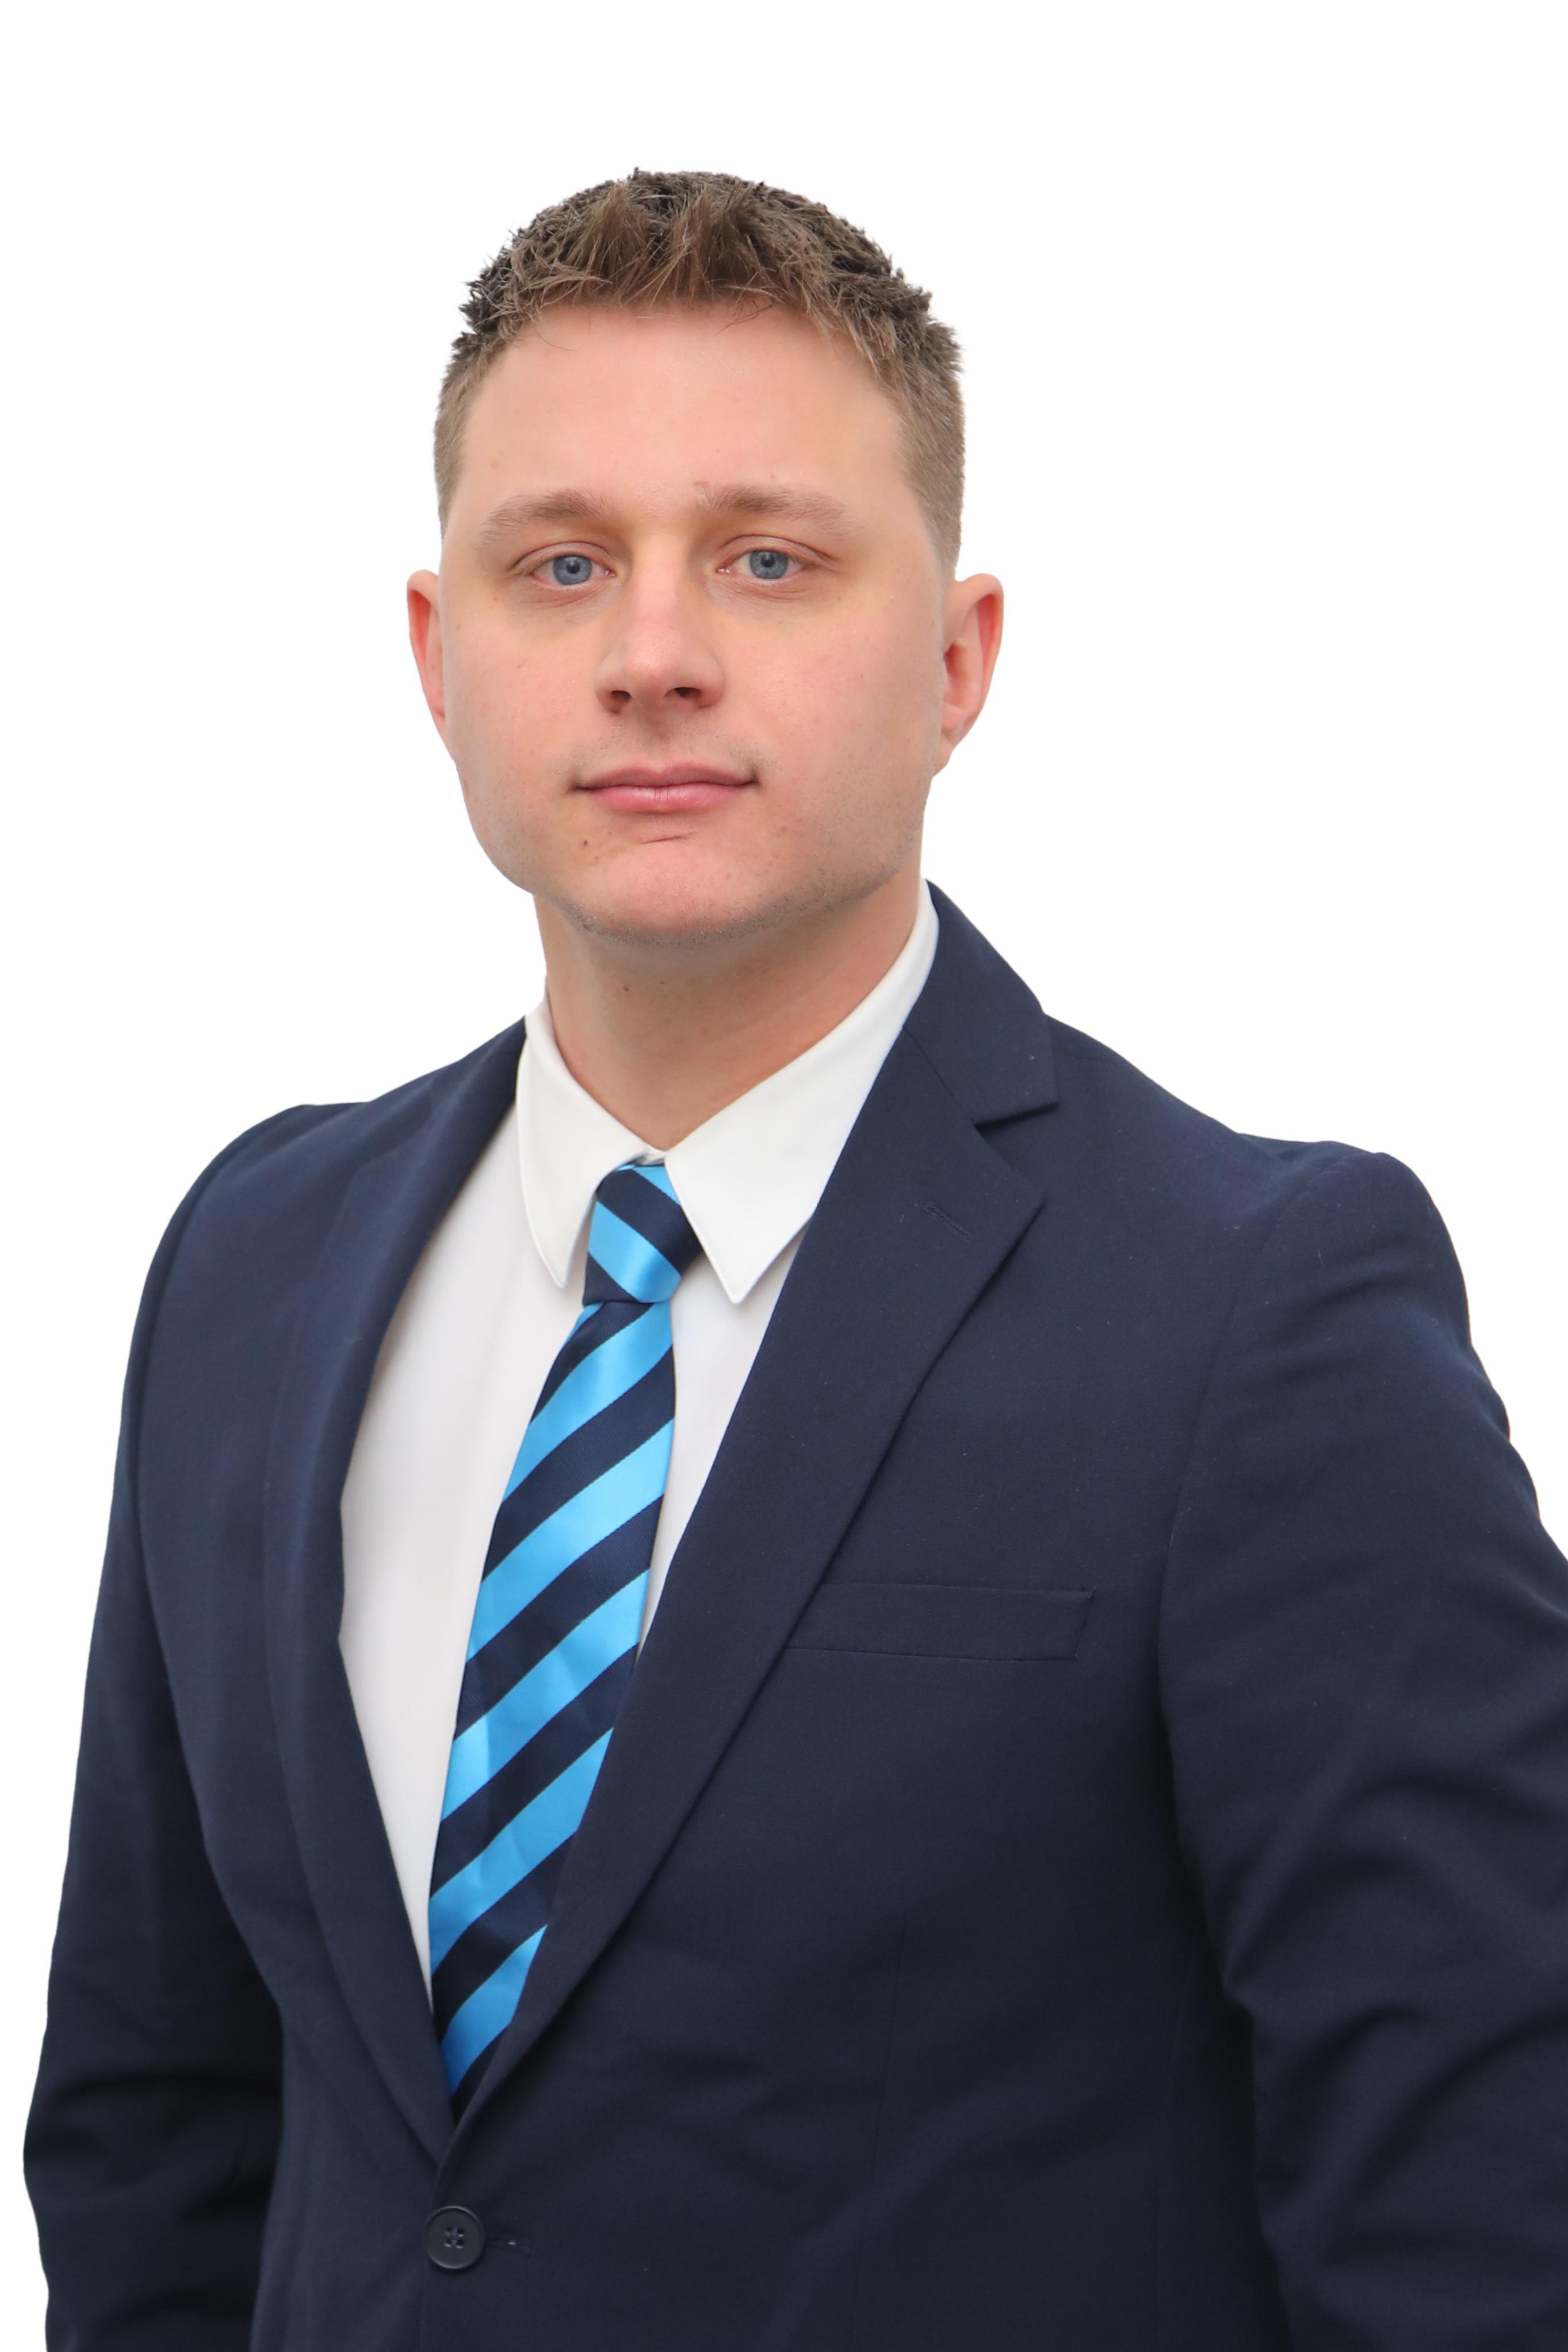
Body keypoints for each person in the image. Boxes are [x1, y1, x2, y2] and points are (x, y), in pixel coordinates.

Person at [25, 168, 1568, 2352]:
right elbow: (157, 2126)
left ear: (957, 662)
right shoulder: (252, 1265)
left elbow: (1483, 2217)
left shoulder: (1261, 1312)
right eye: (562, 564)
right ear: (438, 658)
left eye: (769, 559)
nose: (654, 653)